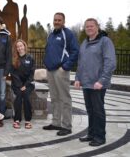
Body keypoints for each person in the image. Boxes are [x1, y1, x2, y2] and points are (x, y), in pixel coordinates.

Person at [74, 18, 116, 146]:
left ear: (97, 27)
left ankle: (100, 137)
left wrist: (102, 80)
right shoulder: (84, 43)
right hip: (86, 83)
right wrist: (77, 78)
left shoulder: (105, 41)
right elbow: (80, 63)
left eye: (92, 26)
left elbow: (110, 62)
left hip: (98, 84)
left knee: (98, 111)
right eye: (87, 26)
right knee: (90, 110)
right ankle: (91, 134)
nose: (89, 28)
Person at [43, 12, 79, 136]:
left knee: (64, 99)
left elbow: (75, 51)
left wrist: (65, 67)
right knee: (54, 98)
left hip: (60, 70)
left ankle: (67, 126)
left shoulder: (68, 34)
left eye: (59, 20)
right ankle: (56, 123)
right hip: (50, 70)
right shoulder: (51, 35)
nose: (56, 22)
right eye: (55, 20)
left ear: (63, 21)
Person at [11, 39, 35, 129]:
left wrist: (25, 85)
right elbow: (14, 74)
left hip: (28, 84)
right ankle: (17, 120)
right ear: (16, 49)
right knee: (19, 96)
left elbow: (32, 74)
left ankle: (28, 120)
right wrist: (20, 85)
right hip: (17, 84)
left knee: (26, 96)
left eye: (21, 46)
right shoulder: (14, 59)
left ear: (24, 46)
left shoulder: (30, 58)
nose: (20, 48)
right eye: (18, 47)